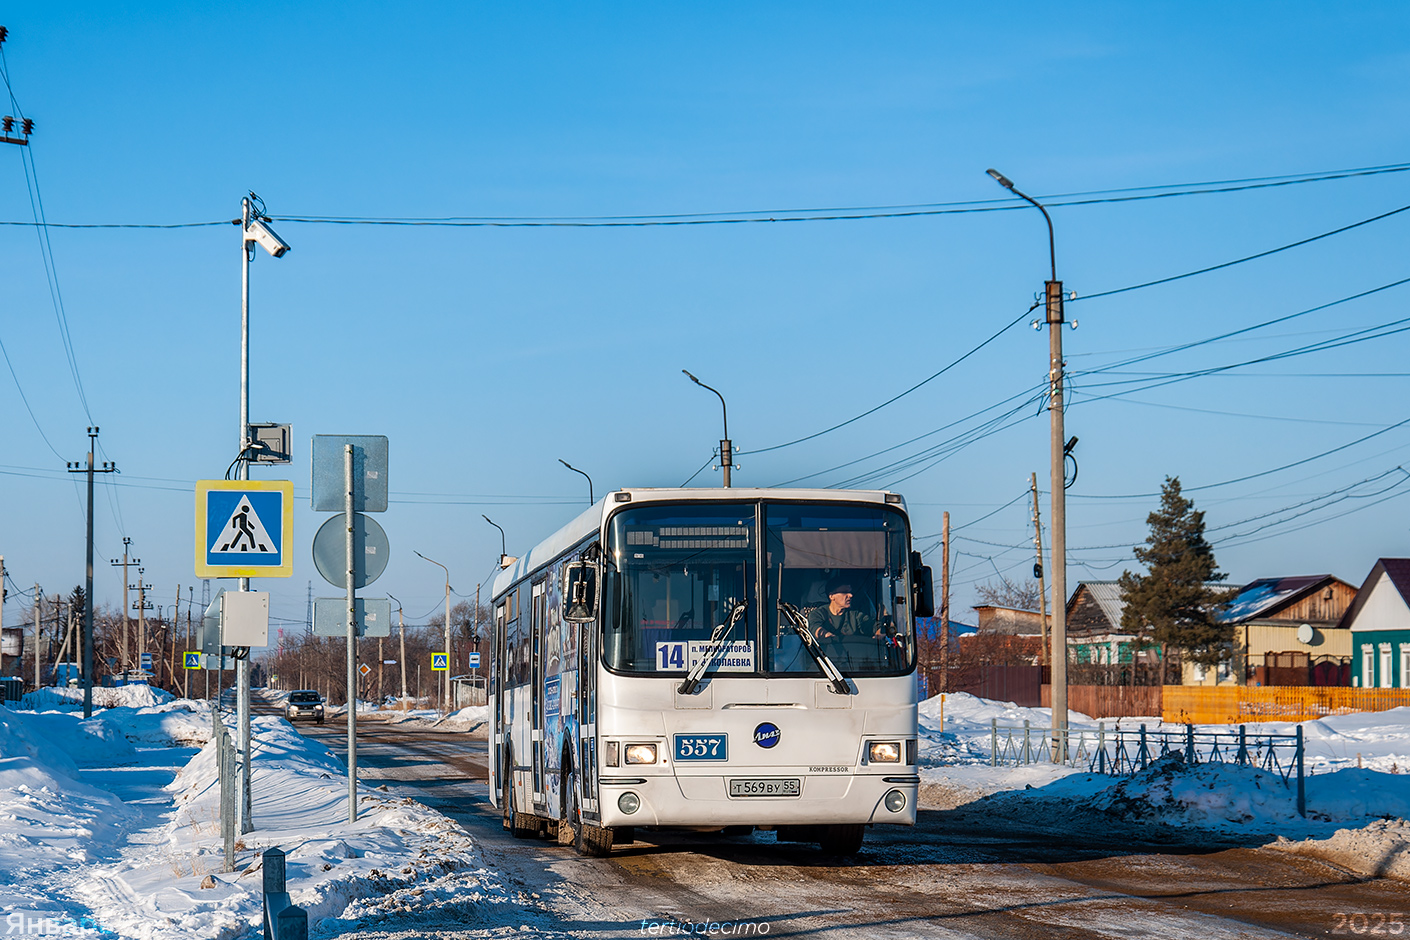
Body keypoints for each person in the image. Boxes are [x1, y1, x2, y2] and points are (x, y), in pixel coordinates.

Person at [808, 576, 874, 641]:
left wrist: (879, 632)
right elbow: (815, 628)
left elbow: (873, 626)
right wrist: (827, 636)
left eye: (850, 592)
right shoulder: (818, 614)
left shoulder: (855, 615)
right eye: (845, 592)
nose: (850, 595)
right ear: (831, 596)